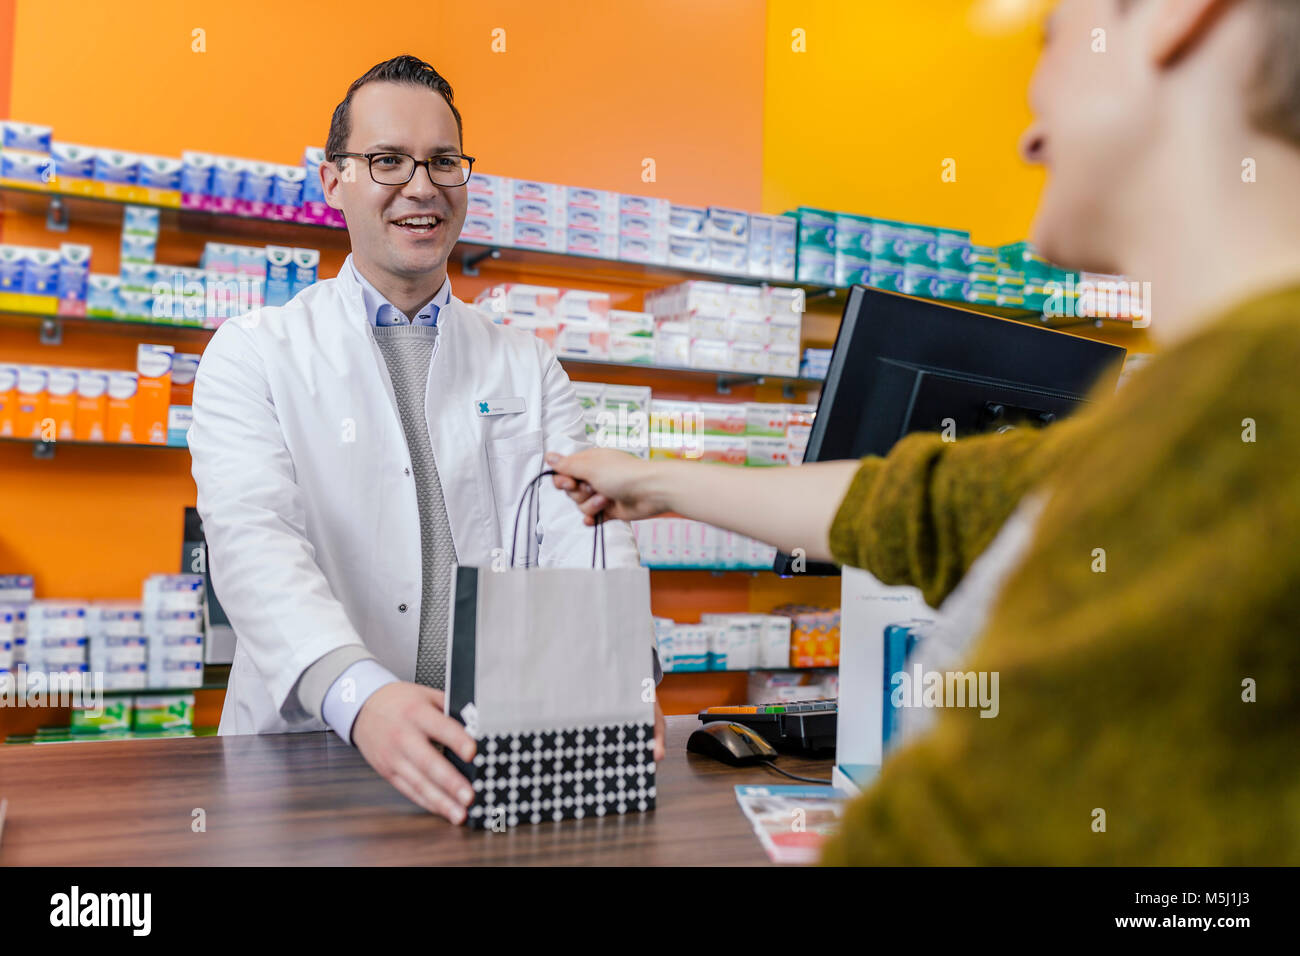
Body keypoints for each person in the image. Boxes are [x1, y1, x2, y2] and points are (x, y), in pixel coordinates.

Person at [547, 0, 1300, 864]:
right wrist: (656, 479)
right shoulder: (1198, 410)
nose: (1026, 137)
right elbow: (925, 504)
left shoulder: (1231, 425)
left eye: (1050, 36)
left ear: (1176, 16)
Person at [189, 55, 665, 826]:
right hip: (309, 756)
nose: (421, 186)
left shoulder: (526, 361)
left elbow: (584, 530)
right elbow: (251, 539)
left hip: (490, 754)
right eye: (387, 161)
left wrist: (622, 670)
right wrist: (360, 693)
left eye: (443, 161)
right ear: (332, 180)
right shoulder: (254, 351)